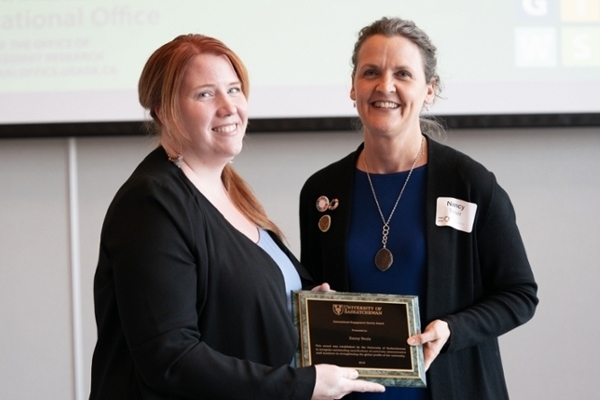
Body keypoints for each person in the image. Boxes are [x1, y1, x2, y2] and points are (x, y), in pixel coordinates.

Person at [89, 34, 385, 400]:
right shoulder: (152, 204)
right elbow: (170, 359)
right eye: (205, 94)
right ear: (165, 110)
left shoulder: (230, 189)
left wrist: (302, 304)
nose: (229, 107)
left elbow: (235, 306)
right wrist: (303, 385)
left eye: (233, 89)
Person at [299, 17, 538, 400]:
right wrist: (316, 298)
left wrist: (453, 329)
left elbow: (519, 294)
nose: (385, 86)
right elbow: (312, 286)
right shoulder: (322, 191)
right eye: (371, 72)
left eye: (403, 74)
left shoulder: (470, 184)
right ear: (353, 86)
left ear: (429, 90)